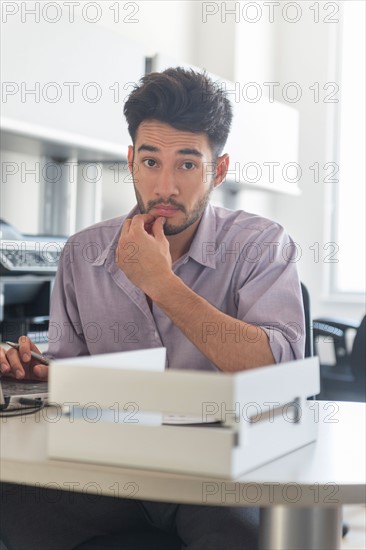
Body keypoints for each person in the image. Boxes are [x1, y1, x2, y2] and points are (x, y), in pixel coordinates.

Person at [0, 67, 305, 549]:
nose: (165, 186)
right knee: (16, 509)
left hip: (220, 472)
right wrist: (40, 375)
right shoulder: (82, 252)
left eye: (187, 164)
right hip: (110, 467)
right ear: (130, 162)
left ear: (218, 170)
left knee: (241, 536)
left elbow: (277, 376)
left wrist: (159, 282)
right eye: (150, 162)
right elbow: (72, 386)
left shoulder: (262, 245)